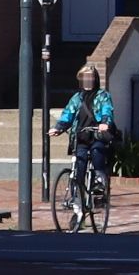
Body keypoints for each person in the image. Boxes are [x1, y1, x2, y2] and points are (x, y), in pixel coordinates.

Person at [50, 64, 115, 224]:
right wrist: (58, 128)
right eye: (85, 78)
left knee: (97, 152)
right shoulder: (77, 98)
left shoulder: (103, 96)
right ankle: (77, 204)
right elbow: (68, 114)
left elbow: (107, 110)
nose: (88, 81)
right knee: (79, 167)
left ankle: (99, 180)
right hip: (80, 137)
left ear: (95, 79)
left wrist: (105, 122)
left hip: (97, 135)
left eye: (91, 77)